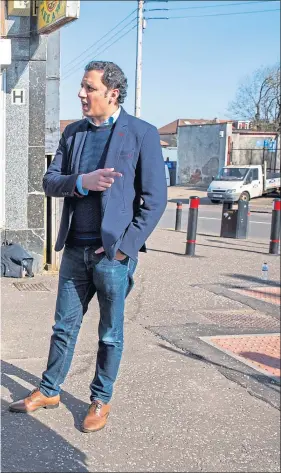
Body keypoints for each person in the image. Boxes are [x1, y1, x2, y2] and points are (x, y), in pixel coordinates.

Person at [9, 61, 167, 432]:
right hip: (75, 251)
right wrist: (83, 181)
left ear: (112, 94)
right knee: (63, 327)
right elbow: (50, 182)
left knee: (110, 333)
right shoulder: (74, 133)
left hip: (112, 255)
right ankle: (49, 390)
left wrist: (125, 248)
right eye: (81, 87)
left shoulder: (142, 134)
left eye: (89, 88)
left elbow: (155, 199)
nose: (81, 94)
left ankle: (100, 399)